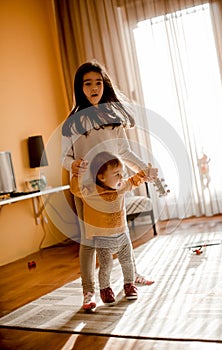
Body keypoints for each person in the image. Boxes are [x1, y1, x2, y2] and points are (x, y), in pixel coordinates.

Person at [61, 60, 158, 311]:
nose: (94, 88)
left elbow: (124, 150)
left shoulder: (113, 118)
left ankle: (131, 275)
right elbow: (65, 157)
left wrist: (143, 170)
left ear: (105, 85)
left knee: (122, 233)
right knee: (89, 240)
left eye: (98, 83)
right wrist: (72, 166)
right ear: (79, 88)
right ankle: (88, 292)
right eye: (88, 83)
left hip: (114, 187)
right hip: (86, 190)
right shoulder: (73, 123)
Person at [70, 151, 157, 305]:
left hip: (122, 235)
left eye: (121, 173)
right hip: (102, 239)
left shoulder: (121, 186)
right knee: (106, 266)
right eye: (117, 174)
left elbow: (133, 181)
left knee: (127, 262)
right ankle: (105, 289)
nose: (121, 177)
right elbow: (75, 190)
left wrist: (143, 174)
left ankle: (129, 285)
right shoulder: (91, 191)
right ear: (101, 177)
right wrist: (78, 175)